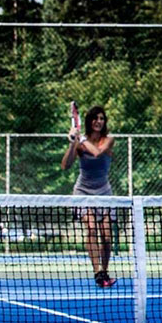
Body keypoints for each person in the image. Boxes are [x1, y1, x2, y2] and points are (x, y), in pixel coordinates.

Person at [61, 106, 117, 287]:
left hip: (104, 191)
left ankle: (105, 270)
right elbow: (65, 165)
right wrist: (72, 143)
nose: (98, 121)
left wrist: (82, 139)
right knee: (91, 229)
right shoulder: (80, 143)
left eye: (101, 118)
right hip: (83, 191)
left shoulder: (108, 140)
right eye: (95, 118)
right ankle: (98, 273)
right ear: (89, 121)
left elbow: (97, 152)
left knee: (107, 236)